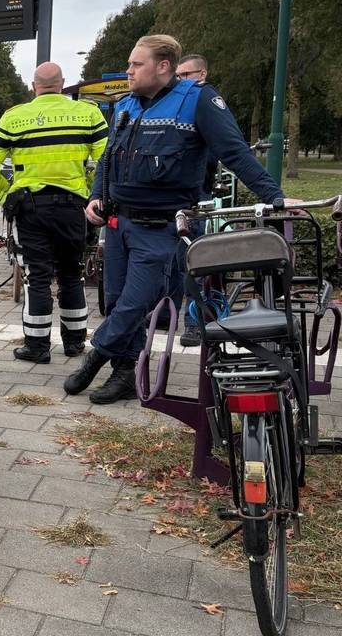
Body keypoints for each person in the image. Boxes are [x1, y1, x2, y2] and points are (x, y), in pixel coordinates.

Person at [66, 35, 285, 404]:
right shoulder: (125, 105)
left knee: (137, 302)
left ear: (163, 66)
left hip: (163, 226)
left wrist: (274, 197)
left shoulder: (199, 101)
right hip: (120, 223)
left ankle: (97, 354)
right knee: (118, 301)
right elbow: (108, 159)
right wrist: (96, 197)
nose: (129, 71)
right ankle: (124, 375)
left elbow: (234, 152)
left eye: (136, 64)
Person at [0, 62, 107, 363]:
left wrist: (5, 195)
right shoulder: (87, 114)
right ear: (62, 84)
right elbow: (107, 161)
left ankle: (36, 348)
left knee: (37, 277)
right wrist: (88, 192)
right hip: (73, 206)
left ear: (33, 86)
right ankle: (75, 343)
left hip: (31, 208)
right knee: (71, 274)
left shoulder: (14, 118)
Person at [176, 53, 212, 348]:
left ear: (202, 75)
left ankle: (192, 324)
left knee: (193, 262)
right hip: (170, 199)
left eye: (185, 75)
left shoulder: (207, 106)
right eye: (178, 76)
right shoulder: (176, 107)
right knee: (170, 261)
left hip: (196, 199)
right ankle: (162, 316)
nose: (180, 81)